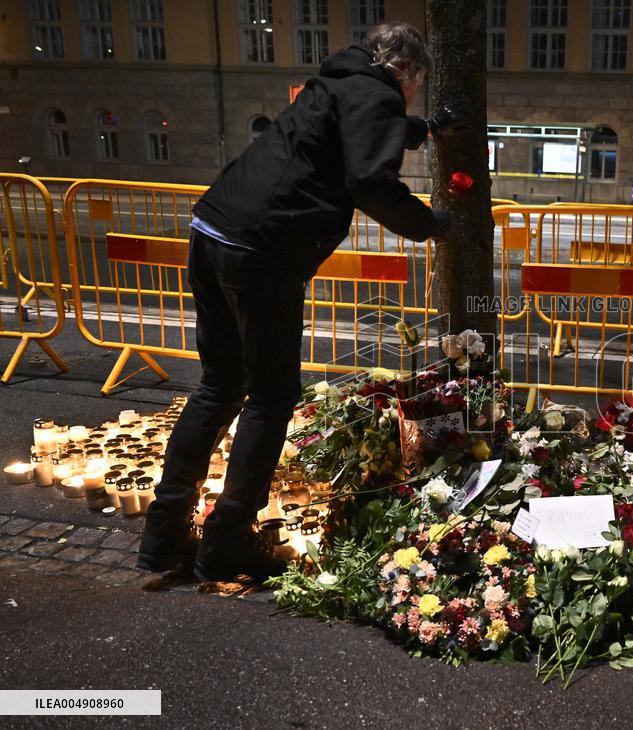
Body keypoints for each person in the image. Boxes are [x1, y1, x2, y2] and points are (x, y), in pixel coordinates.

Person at [138, 22, 459, 581]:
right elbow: (368, 178)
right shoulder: (377, 91)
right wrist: (430, 223)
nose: (411, 93)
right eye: (417, 83)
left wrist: (423, 130)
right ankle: (228, 539)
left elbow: (352, 133)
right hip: (264, 247)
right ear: (406, 70)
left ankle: (164, 535)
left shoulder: (338, 80)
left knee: (218, 386)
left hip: (214, 226)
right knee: (270, 394)